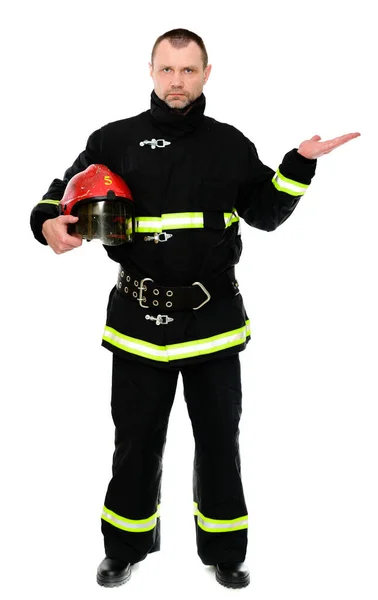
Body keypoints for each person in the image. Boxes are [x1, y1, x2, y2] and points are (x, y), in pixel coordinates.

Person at [30, 28, 360, 589]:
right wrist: (45, 224)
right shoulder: (111, 140)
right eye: (166, 69)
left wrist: (298, 164)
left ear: (207, 73)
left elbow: (265, 213)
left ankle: (226, 551)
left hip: (212, 326)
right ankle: (124, 547)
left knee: (217, 441)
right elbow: (58, 193)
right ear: (151, 72)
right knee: (134, 442)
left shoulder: (228, 144)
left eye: (187, 70)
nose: (176, 81)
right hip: (137, 323)